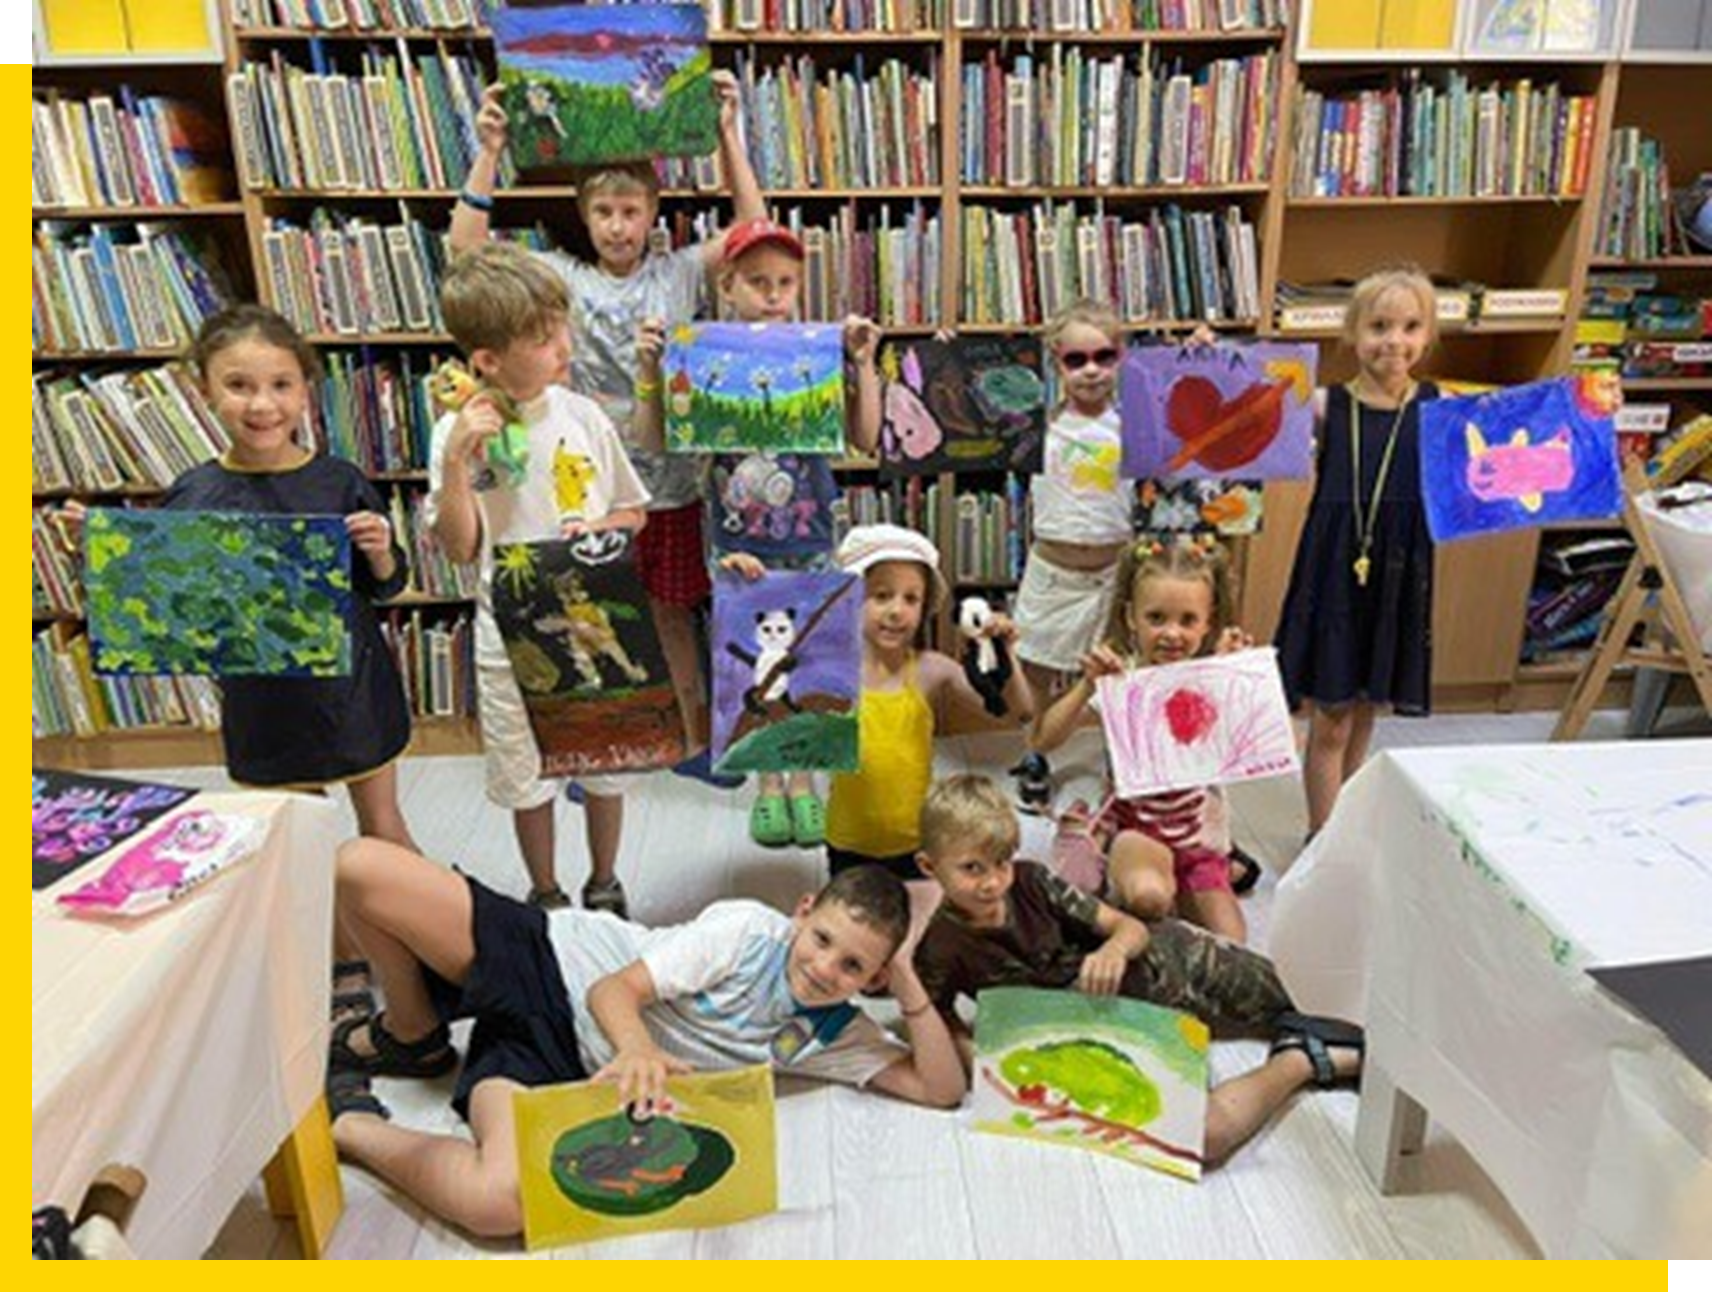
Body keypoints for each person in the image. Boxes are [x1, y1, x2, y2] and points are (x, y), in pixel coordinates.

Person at [324, 838, 964, 1239]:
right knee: (360, 867)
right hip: (551, 959)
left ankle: (349, 1127)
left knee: (498, 1206)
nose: (826, 969)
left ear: (873, 976)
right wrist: (637, 1049)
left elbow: (938, 1088)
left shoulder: (836, 1031)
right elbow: (612, 990)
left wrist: (906, 977)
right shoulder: (745, 932)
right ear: (802, 913)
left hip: (552, 1060)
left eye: (854, 967)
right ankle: (413, 1033)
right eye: (823, 940)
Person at [61, 304, 417, 1022]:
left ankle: (418, 942)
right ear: (204, 390)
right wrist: (106, 558)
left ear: (305, 390)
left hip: (352, 690)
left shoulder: (339, 480)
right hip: (264, 705)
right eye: (240, 385)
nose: (262, 404)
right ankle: (345, 964)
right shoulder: (196, 494)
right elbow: (170, 607)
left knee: (384, 827)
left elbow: (387, 586)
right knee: (302, 845)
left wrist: (380, 549)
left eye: (281, 385)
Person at [451, 73, 766, 784]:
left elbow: (751, 233)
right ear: (584, 217)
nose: (618, 225)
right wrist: (491, 150)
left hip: (673, 486)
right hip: (584, 493)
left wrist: (726, 135)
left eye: (630, 210)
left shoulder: (680, 272)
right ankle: (601, 742)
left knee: (675, 622)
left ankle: (690, 744)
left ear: (654, 211)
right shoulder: (561, 279)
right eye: (604, 213)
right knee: (597, 622)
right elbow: (468, 252)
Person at [911, 774, 1364, 1167]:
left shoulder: (1030, 881)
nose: (992, 881)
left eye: (1002, 862)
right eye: (972, 869)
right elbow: (937, 1021)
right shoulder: (939, 947)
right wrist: (987, 1057)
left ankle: (1367, 1038)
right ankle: (1302, 1059)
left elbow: (1131, 928)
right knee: (1205, 1138)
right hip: (1116, 1035)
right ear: (929, 867)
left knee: (1338, 1007)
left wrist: (1113, 950)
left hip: (1175, 962)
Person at [633, 216, 883, 849]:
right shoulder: (704, 354)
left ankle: (804, 781)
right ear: (727, 285)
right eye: (756, 281)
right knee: (753, 662)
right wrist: (649, 369)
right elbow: (653, 439)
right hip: (737, 546)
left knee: (806, 655)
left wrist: (864, 364)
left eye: (785, 283)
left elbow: (866, 436)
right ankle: (769, 785)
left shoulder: (817, 352)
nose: (772, 294)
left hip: (809, 539)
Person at [426, 243, 649, 916]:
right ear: (487, 360)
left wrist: (602, 528)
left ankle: (605, 881)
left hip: (594, 612)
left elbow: (633, 511)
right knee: (526, 777)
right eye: (543, 338)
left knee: (607, 762)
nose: (563, 347)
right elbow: (462, 547)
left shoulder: (581, 416)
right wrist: (461, 462)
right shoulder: (455, 433)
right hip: (510, 628)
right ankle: (545, 891)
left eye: (561, 330)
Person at [1273, 265, 1442, 839]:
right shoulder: (1327, 404)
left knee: (1365, 708)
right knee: (1332, 720)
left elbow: (1526, 418)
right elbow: (1246, 398)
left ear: (1427, 335)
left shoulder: (1438, 406)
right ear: (1352, 332)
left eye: (1411, 326)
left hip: (1397, 570)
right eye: (1378, 326)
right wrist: (1200, 352)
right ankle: (1321, 838)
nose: (1394, 340)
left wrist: (1594, 398)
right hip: (1335, 572)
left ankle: (1342, 827)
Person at [1031, 538, 1254, 943]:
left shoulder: (1211, 677)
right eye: (1156, 618)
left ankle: (1200, 883)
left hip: (1197, 834)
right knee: (1149, 898)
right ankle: (1130, 892)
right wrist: (1086, 685)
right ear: (1131, 617)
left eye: (1188, 620)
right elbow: (1044, 738)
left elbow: (1275, 744)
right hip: (1138, 830)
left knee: (1233, 943)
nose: (1172, 634)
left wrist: (1237, 679)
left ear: (1209, 622)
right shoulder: (1121, 680)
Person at [823, 524, 1034, 879]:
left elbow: (1018, 712)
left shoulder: (931, 671)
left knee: (923, 930)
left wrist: (1005, 653)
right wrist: (744, 581)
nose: (896, 611)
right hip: (847, 845)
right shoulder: (831, 674)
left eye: (911, 599)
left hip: (918, 843)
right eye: (881, 595)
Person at [1009, 300, 1133, 814]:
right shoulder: (1038, 423)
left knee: (1118, 674)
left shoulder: (1136, 423)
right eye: (1075, 359)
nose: (1090, 371)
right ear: (1055, 361)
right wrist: (951, 358)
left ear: (1121, 357)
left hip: (1114, 573)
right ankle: (1035, 754)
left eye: (1104, 357)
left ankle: (1122, 760)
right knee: (1035, 670)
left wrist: (1201, 350)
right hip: (1052, 571)